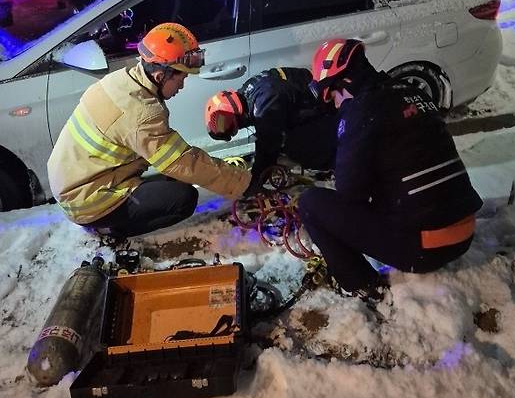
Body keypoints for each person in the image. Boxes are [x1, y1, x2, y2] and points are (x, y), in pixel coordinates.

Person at [298, 38, 483, 295]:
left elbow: (350, 194)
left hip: (424, 249)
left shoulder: (359, 111)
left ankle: (361, 284)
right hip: (465, 232)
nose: (336, 105)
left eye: (333, 96)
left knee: (310, 203)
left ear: (344, 83)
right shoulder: (412, 92)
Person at [47, 22, 251, 239]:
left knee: (174, 176)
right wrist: (243, 184)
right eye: (180, 78)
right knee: (183, 198)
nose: (181, 87)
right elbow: (183, 161)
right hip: (89, 201)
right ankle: (113, 230)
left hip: (76, 184)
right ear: (161, 75)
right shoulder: (141, 114)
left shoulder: (119, 81)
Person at [204, 67, 338, 190]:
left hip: (326, 109)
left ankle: (337, 164)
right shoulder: (249, 91)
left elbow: (267, 145)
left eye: (224, 123)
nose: (229, 127)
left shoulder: (264, 104)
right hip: (311, 99)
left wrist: (255, 181)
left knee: (294, 148)